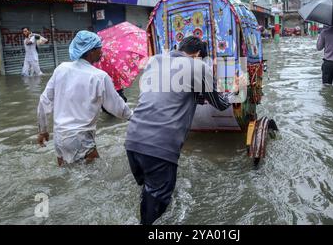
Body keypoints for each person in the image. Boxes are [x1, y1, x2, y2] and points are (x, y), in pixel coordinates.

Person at [125, 36, 231, 225]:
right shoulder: (198, 67)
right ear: (198, 54)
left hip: (132, 141)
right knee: (155, 212)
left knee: (149, 192)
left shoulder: (155, 60)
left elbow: (169, 96)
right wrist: (236, 89)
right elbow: (220, 104)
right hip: (160, 147)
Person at [37, 30, 132, 166]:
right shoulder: (100, 76)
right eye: (100, 49)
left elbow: (44, 101)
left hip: (59, 137)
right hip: (81, 137)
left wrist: (42, 131)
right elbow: (117, 106)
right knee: (95, 178)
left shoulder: (61, 69)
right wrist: (135, 118)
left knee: (66, 175)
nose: (102, 52)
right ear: (90, 51)